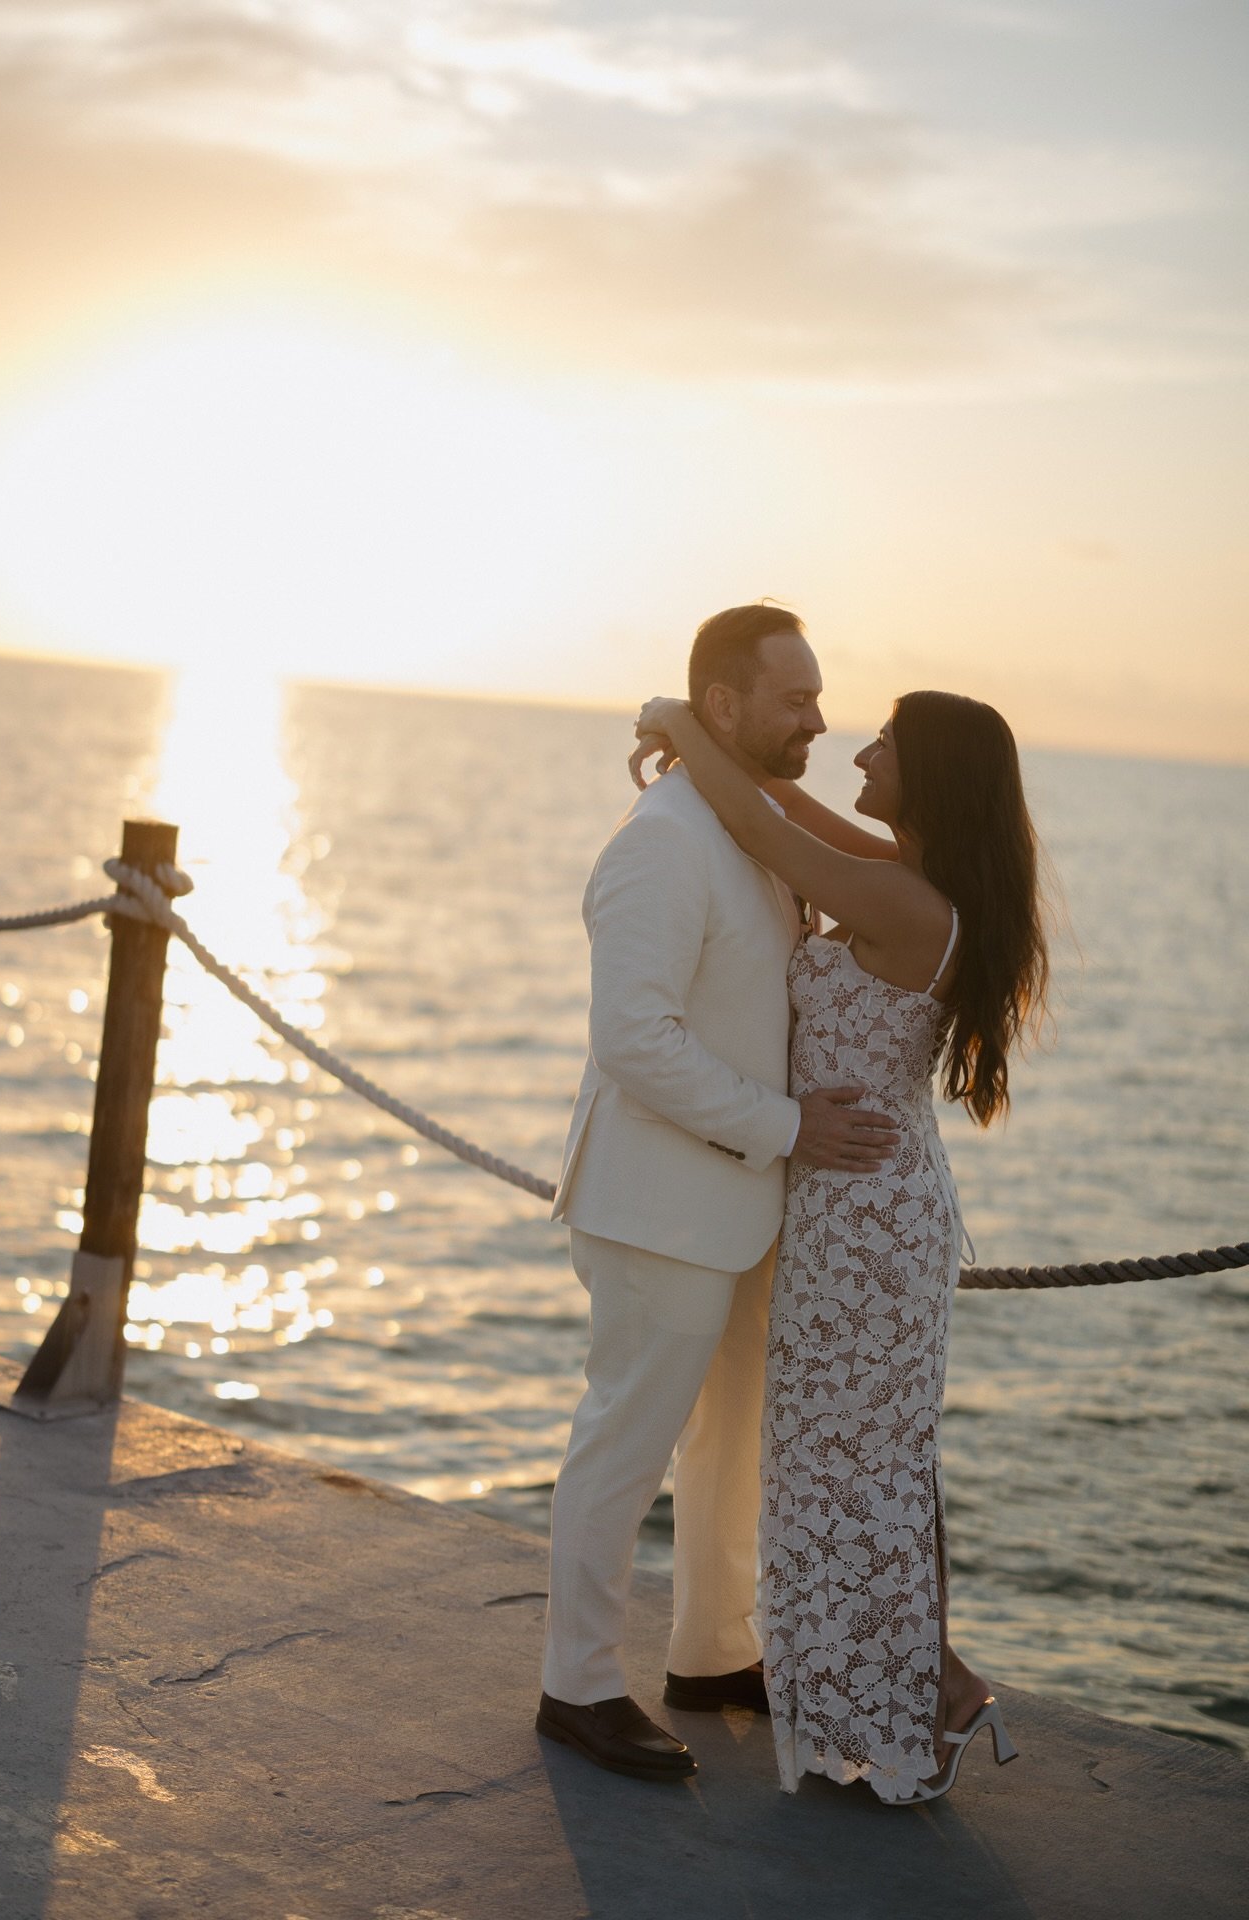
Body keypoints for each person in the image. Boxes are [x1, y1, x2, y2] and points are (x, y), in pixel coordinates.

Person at [631, 685, 1049, 1803]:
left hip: (867, 1222)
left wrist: (675, 716)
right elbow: (785, 809)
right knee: (851, 1473)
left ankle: (922, 1704)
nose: (858, 754)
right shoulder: (902, 876)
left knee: (846, 1477)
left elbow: (768, 830)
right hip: (857, 1210)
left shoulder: (902, 901)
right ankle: (928, 1690)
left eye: (888, 747)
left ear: (934, 777)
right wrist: (719, 745)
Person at [537, 604, 901, 1784]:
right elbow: (633, 1038)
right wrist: (791, 1129)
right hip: (658, 1208)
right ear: (727, 705)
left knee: (726, 1445)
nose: (819, 717)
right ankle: (578, 1685)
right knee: (624, 1445)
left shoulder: (744, 826)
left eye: (819, 694)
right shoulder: (664, 839)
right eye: (796, 699)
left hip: (745, 1207)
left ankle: (708, 1652)